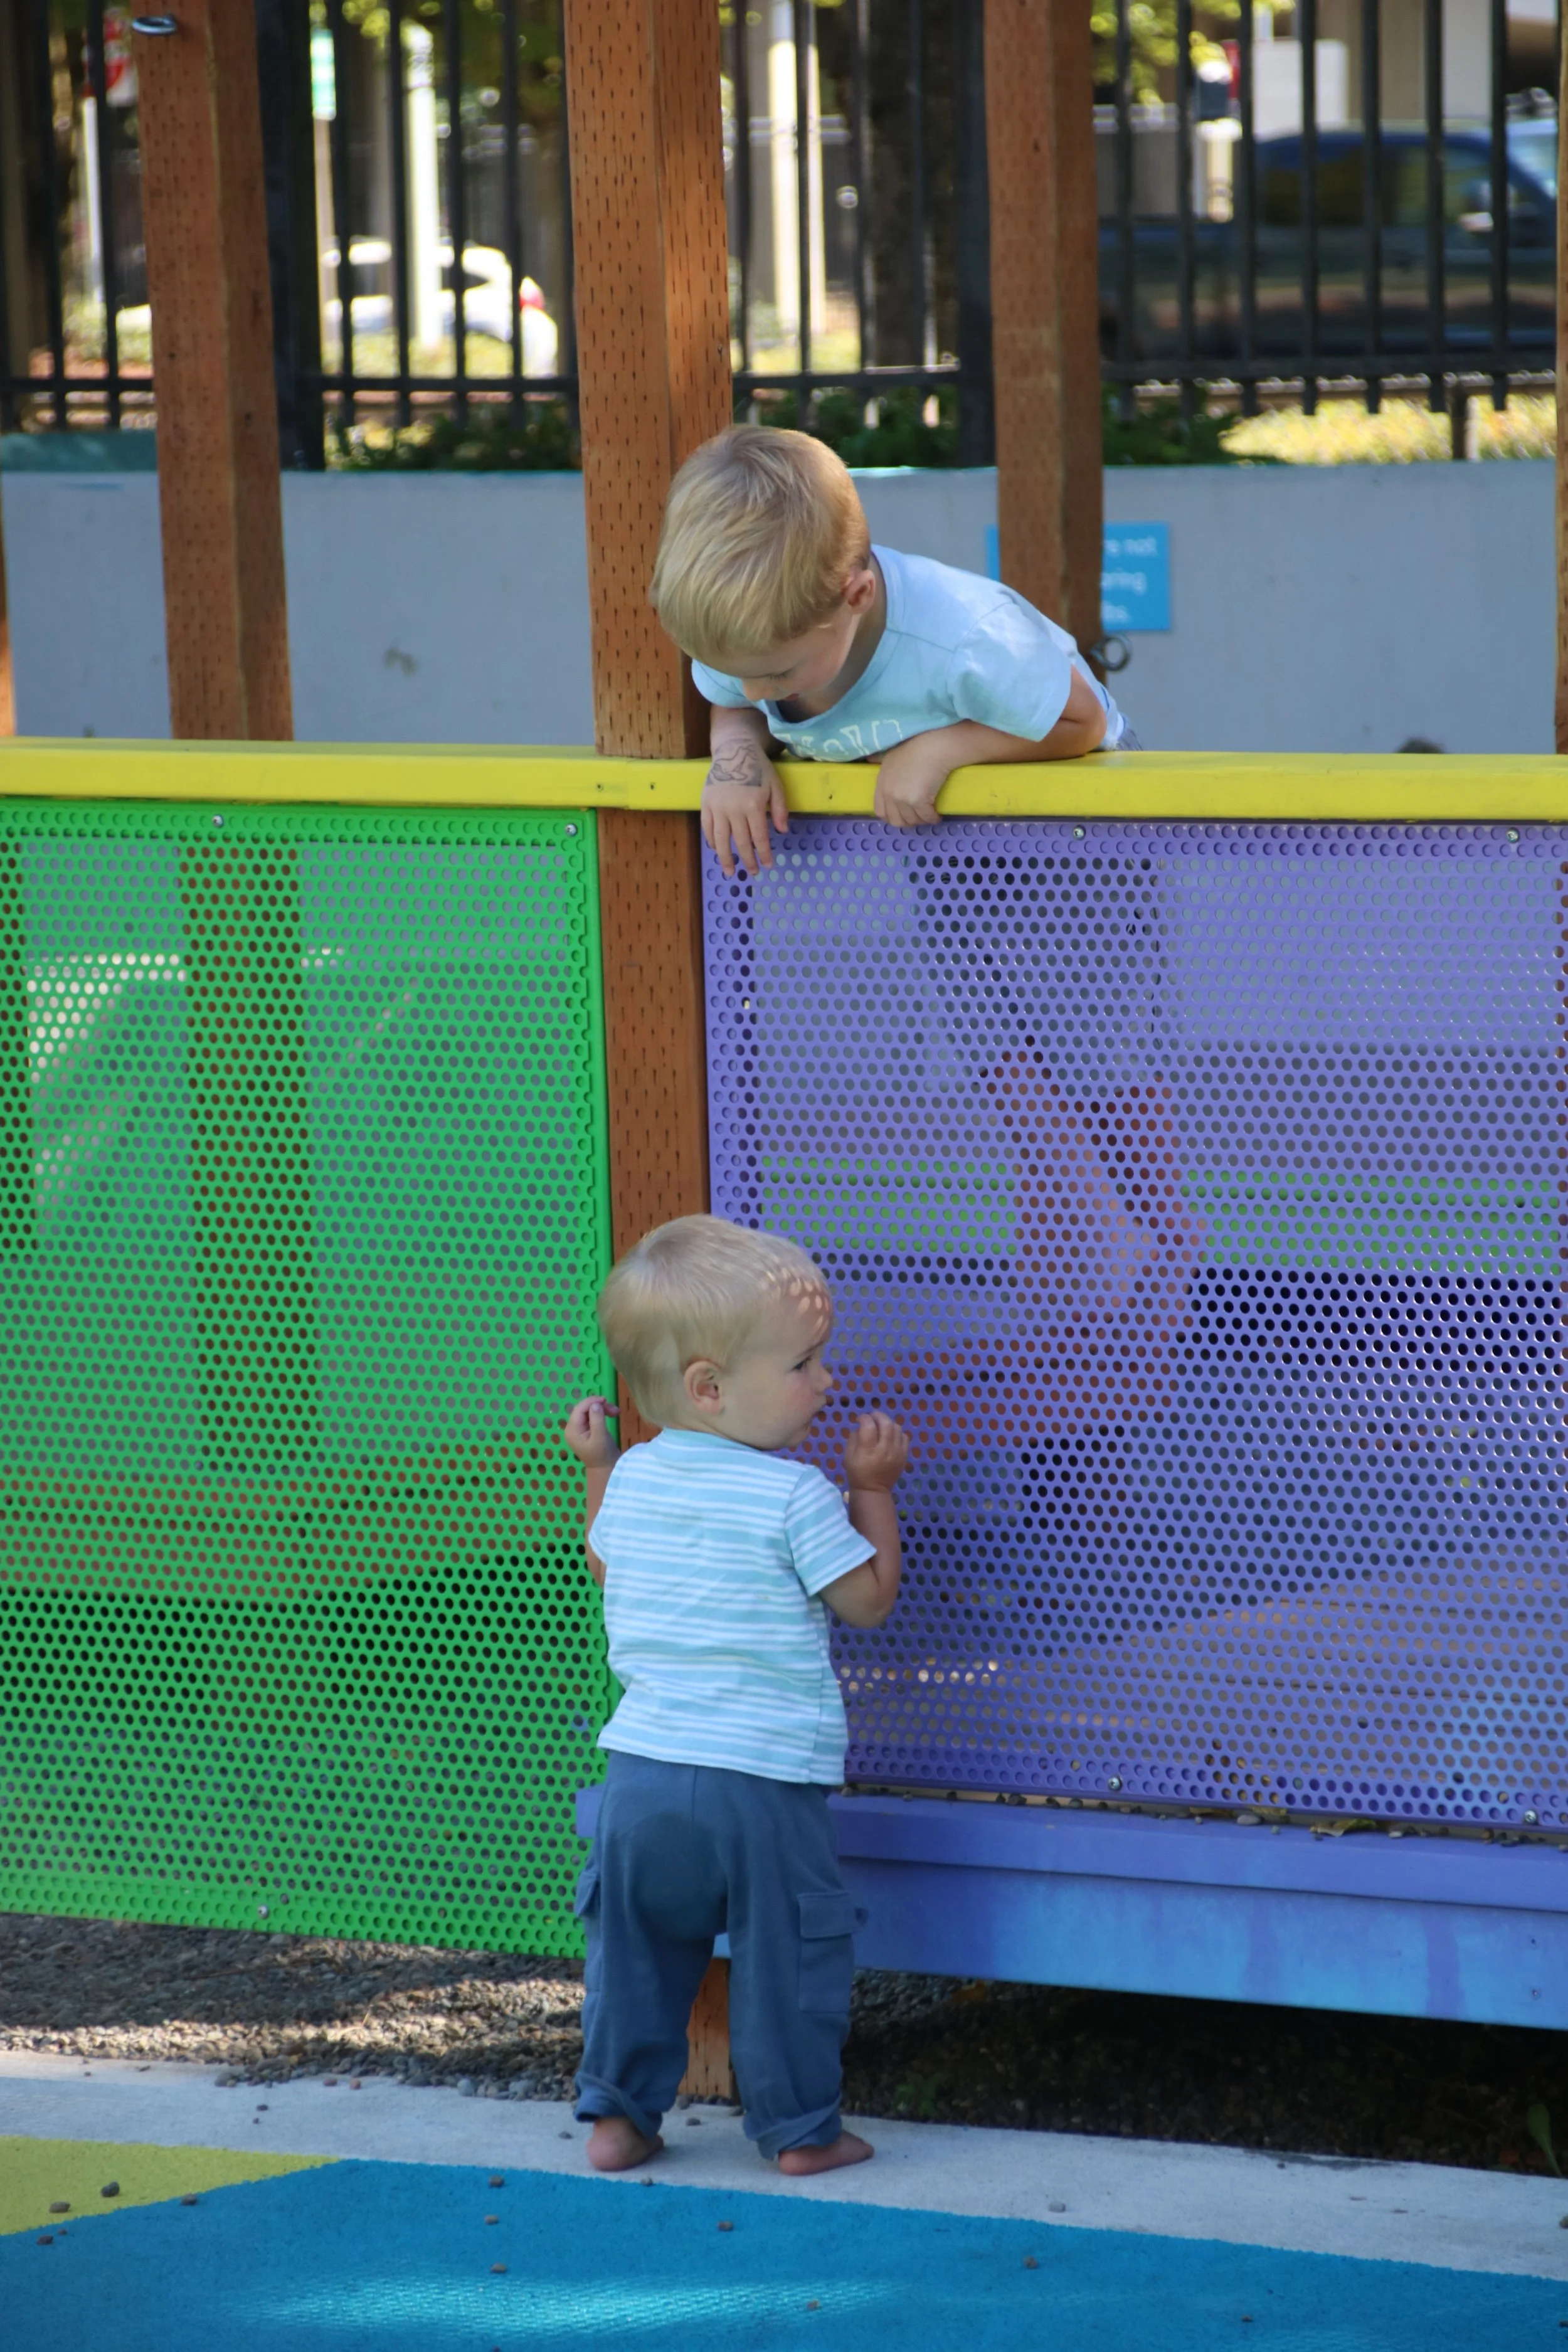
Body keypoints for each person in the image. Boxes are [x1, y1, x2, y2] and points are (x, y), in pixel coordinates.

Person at [562, 1214, 909, 2177]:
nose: (826, 1381)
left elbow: (604, 1562)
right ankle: (800, 2130)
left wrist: (594, 1468)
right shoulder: (796, 1495)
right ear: (711, 1387)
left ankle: (618, 2117)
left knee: (632, 1956)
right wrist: (872, 1488)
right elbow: (869, 1598)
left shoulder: (631, 1479)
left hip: (641, 1777)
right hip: (760, 1782)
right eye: (804, 1364)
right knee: (786, 1960)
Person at [649, 423, 1138, 879]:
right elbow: (734, 704)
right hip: (946, 842)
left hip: (1080, 828)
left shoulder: (965, 636)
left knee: (1102, 967)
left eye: (779, 674)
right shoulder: (755, 644)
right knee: (966, 969)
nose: (754, 691)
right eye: (730, 671)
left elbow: (1083, 722)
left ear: (856, 597)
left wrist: (941, 749)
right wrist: (737, 756)